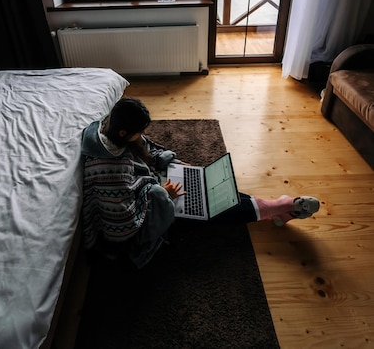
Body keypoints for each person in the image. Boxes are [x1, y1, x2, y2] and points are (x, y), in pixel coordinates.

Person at [81, 97, 320, 268]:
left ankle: (275, 207)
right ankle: (279, 207)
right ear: (123, 133)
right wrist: (162, 195)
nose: (141, 136)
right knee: (209, 208)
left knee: (207, 187)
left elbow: (146, 146)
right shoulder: (109, 171)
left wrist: (172, 162)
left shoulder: (111, 128)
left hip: (155, 189)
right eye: (137, 132)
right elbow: (123, 229)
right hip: (144, 226)